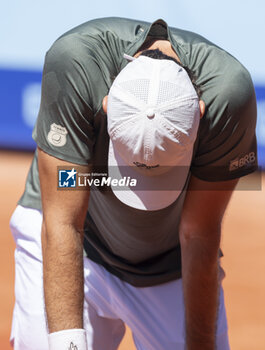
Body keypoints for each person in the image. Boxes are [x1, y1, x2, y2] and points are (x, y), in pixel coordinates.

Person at [9, 17, 257, 350]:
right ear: (107, 106)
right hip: (74, 239)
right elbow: (63, 220)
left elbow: (198, 233)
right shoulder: (76, 63)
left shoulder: (228, 97)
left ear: (200, 114)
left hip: (170, 264)